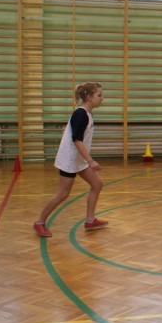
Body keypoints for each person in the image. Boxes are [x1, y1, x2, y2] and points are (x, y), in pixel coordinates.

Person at [33, 82, 107, 237]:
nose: (102, 98)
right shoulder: (80, 114)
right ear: (89, 97)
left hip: (79, 159)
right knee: (63, 194)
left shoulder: (87, 114)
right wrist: (91, 161)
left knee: (97, 184)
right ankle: (39, 222)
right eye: (99, 95)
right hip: (69, 160)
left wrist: (86, 160)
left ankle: (90, 220)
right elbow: (77, 141)